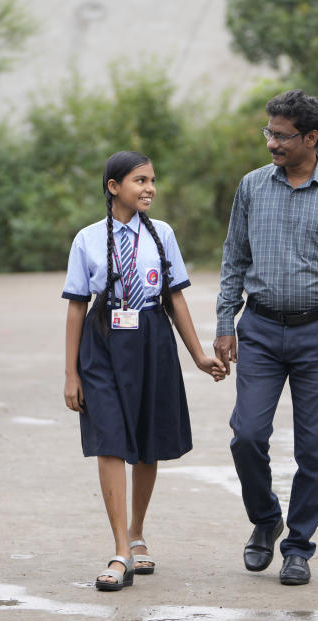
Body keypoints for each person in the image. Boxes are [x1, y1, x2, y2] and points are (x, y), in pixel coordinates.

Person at [214, 89, 318, 586]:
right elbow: (232, 260)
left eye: (282, 136)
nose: (271, 144)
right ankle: (266, 520)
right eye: (269, 132)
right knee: (246, 435)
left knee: (314, 448)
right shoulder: (251, 187)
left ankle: (298, 546)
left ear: (311, 138)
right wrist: (225, 321)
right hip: (260, 329)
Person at [62, 150, 227, 592]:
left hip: (152, 338)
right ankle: (119, 551)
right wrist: (70, 373)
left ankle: (137, 532)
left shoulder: (163, 235)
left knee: (147, 440)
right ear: (114, 187)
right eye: (139, 180)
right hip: (103, 341)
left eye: (152, 180)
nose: (149, 188)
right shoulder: (88, 239)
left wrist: (197, 355)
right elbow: (77, 307)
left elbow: (175, 298)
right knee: (109, 438)